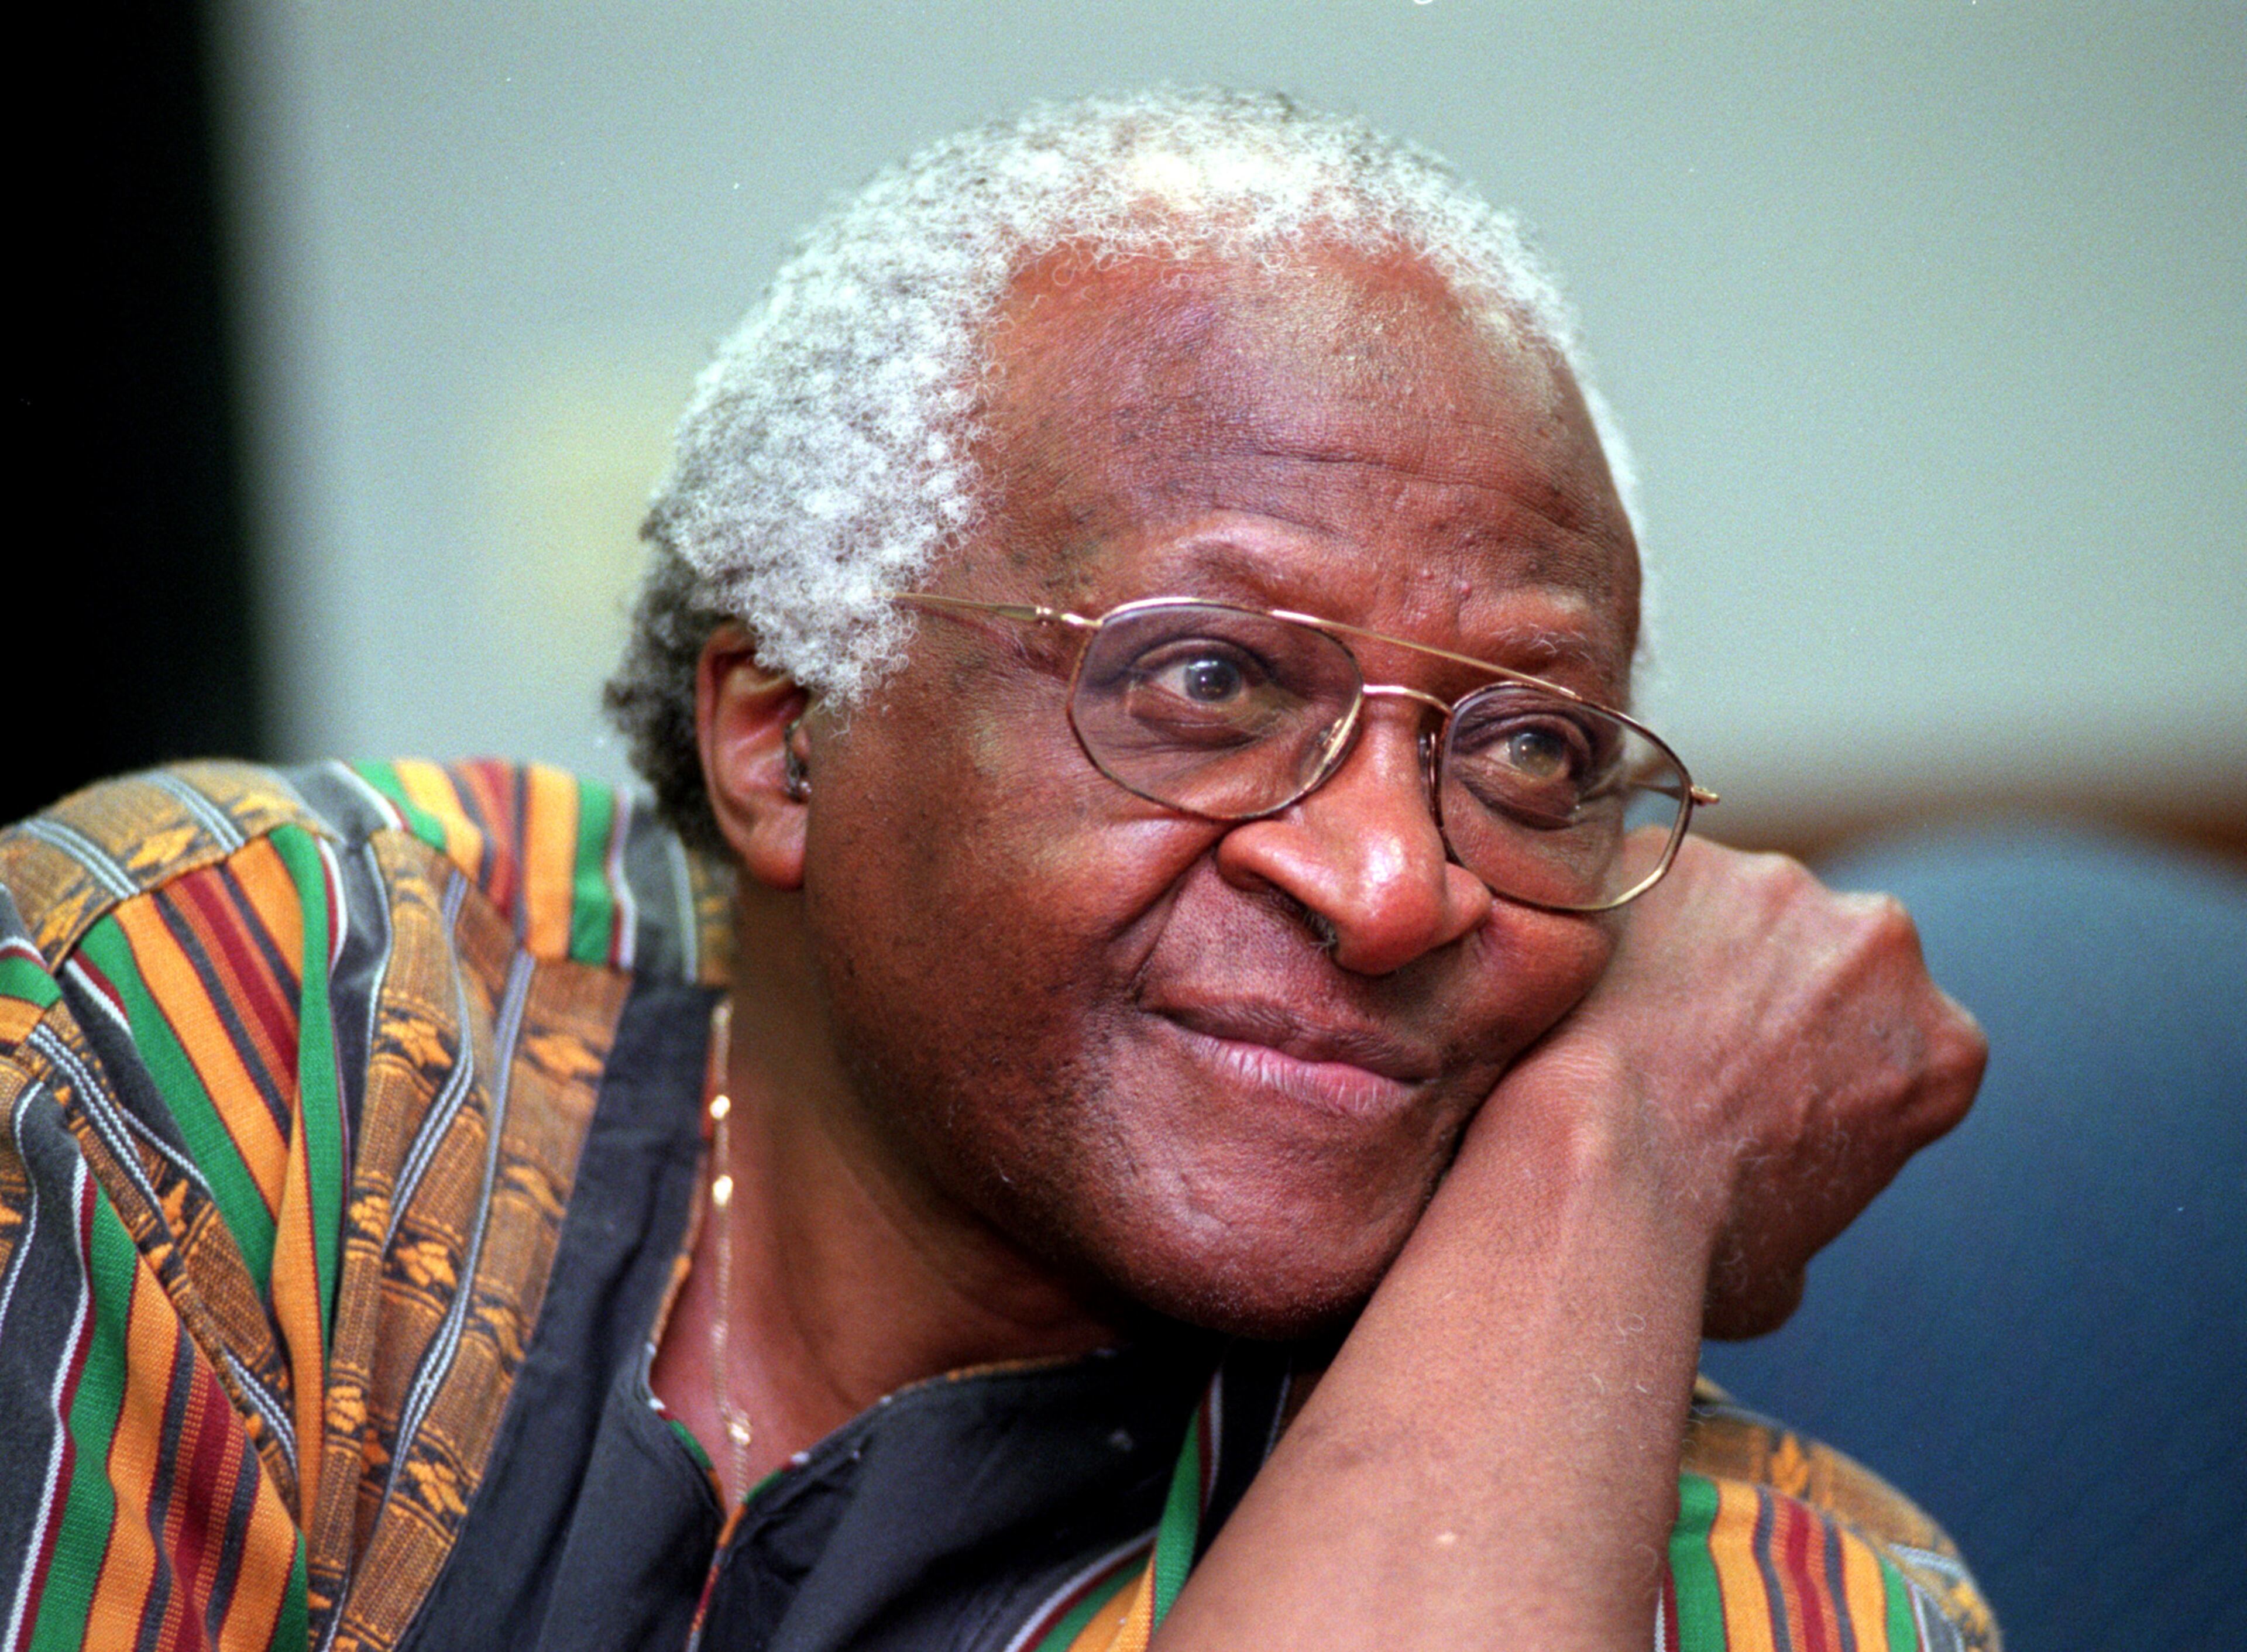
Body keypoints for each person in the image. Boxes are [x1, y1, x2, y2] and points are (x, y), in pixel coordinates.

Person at [0, 90, 1997, 1651]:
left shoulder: (1735, 1598)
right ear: (784, 734)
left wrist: (1614, 1141)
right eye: (1210, 681)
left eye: (1529, 750)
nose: (1397, 886)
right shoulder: (241, 1030)